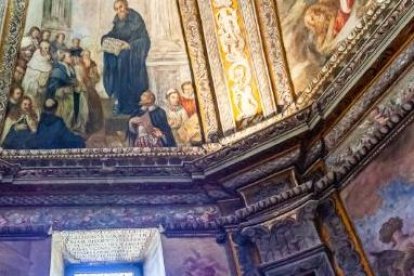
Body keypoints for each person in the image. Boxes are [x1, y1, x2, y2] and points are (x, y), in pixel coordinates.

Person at [101, 0, 151, 115]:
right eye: (117, 9)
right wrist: (106, 38)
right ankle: (119, 102)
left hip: (133, 58)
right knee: (114, 65)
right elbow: (113, 34)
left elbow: (144, 40)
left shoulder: (136, 19)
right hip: (121, 57)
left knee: (123, 65)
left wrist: (130, 45)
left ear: (126, 6)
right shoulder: (118, 21)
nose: (119, 10)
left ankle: (132, 105)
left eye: (121, 7)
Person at [46, 50, 80, 132]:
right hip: (60, 95)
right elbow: (52, 85)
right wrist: (61, 89)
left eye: (71, 56)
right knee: (64, 112)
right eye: (69, 57)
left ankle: (70, 127)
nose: (71, 58)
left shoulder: (69, 68)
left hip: (69, 93)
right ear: (63, 58)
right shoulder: (58, 69)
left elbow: (73, 80)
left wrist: (73, 83)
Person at [22, 40, 53, 114]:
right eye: (45, 48)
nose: (47, 50)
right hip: (31, 88)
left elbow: (46, 77)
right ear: (40, 48)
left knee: (37, 106)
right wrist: (37, 84)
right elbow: (29, 77)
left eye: (48, 48)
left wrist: (42, 85)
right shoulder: (35, 60)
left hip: (41, 90)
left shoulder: (48, 59)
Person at [79, 50, 104, 134]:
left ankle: (95, 125)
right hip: (81, 87)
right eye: (85, 55)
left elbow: (97, 76)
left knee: (95, 102)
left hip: (90, 87)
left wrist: (93, 77)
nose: (87, 56)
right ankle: (83, 127)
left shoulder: (93, 63)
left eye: (88, 54)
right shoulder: (79, 63)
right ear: (82, 56)